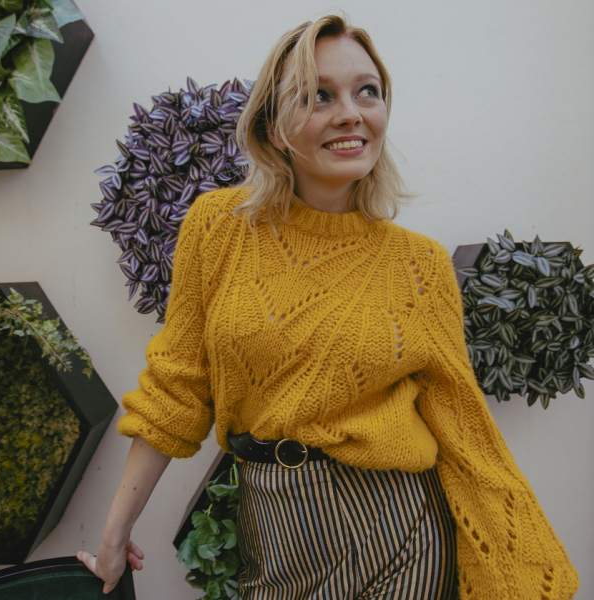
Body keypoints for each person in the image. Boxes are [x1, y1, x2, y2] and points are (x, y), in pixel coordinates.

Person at [78, 14, 579, 600]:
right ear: (272, 126)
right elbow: (176, 389)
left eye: (367, 91)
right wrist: (115, 531)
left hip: (398, 534)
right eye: (319, 96)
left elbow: (462, 424)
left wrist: (517, 565)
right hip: (273, 531)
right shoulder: (219, 228)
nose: (351, 112)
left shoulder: (419, 265)